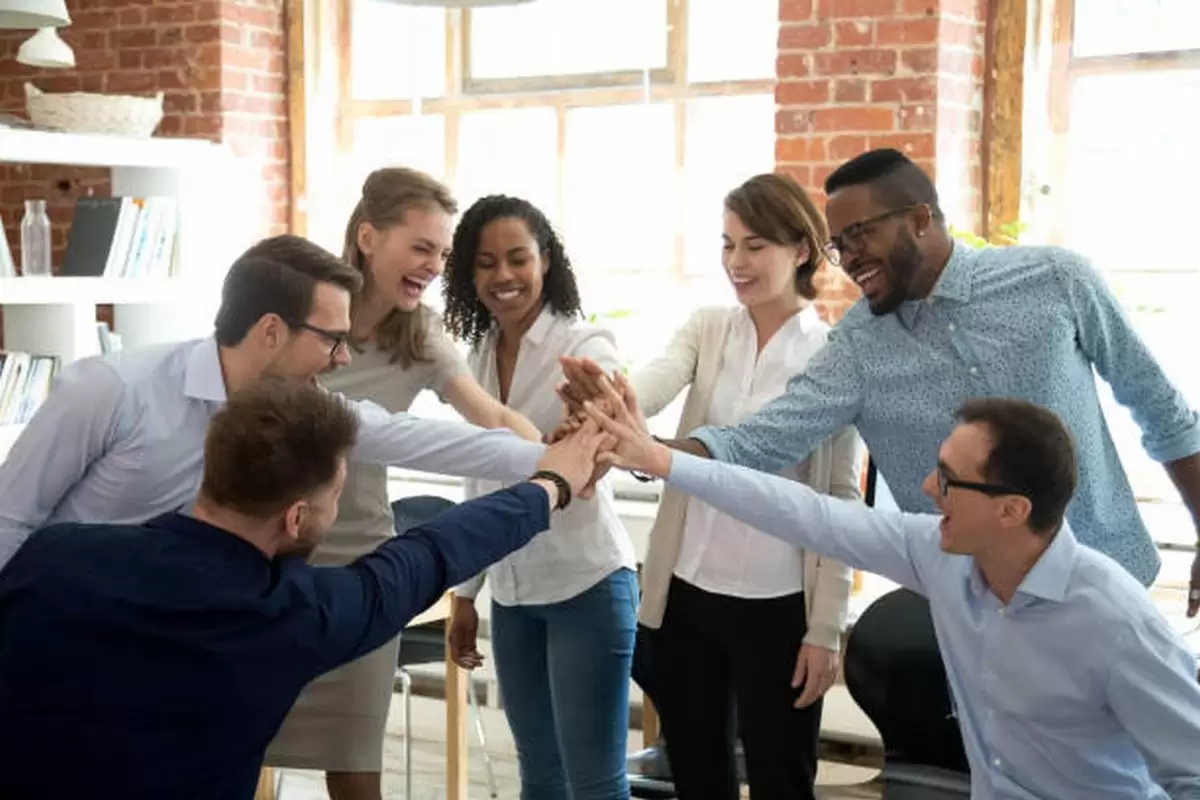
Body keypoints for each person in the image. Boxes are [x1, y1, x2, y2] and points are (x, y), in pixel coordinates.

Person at [558, 147, 1200, 612]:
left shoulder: (1058, 282)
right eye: (839, 244)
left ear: (920, 219)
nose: (849, 258)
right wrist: (645, 452)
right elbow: (757, 443)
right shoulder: (857, 346)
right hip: (978, 611)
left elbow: (1162, 410)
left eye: (860, 235)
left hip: (1110, 584)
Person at [585, 378, 1200, 799]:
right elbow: (805, 513)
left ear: (1012, 510)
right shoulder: (943, 555)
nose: (929, 490)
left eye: (950, 480)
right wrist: (663, 461)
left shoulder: (1116, 622)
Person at [0, 377, 611, 800]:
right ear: (296, 518)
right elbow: (427, 554)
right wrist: (551, 485)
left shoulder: (53, 554)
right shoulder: (288, 618)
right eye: (334, 499)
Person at [0, 233, 552, 574]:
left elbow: (417, 440)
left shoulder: (296, 409)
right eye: (332, 340)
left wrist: (552, 460)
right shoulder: (109, 389)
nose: (341, 359)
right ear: (270, 330)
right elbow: (8, 521)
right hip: (65, 631)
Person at [264, 169, 543, 800]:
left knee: (357, 771)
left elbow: (492, 417)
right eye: (422, 248)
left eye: (444, 254)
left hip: (362, 567)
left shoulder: (420, 336)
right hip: (274, 564)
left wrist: (559, 460)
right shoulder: (296, 315)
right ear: (368, 236)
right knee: (245, 747)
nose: (435, 266)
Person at [622, 173, 862, 800]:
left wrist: (825, 629)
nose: (737, 262)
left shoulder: (832, 355)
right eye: (728, 244)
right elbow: (652, 385)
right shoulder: (707, 330)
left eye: (754, 245)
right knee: (699, 777)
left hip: (781, 605)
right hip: (688, 593)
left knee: (783, 779)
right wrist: (615, 405)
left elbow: (841, 499)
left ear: (801, 250)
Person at [442, 195, 638, 800]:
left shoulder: (584, 343)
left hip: (585, 586)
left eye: (518, 259)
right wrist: (466, 593)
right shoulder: (473, 358)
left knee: (595, 786)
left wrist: (591, 427)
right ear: (468, 275)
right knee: (541, 783)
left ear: (545, 261)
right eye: (486, 263)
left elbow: (604, 420)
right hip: (512, 595)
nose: (503, 276)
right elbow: (479, 480)